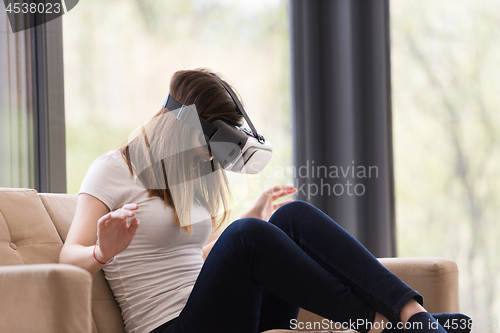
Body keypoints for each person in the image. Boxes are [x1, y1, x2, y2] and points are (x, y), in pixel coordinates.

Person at [59, 68, 471, 333]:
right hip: (170, 327)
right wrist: (101, 250)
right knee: (247, 235)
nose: (210, 157)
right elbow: (67, 259)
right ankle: (395, 326)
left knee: (289, 216)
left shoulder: (186, 177)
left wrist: (254, 223)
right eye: (210, 143)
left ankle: (411, 315)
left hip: (227, 316)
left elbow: (189, 262)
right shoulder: (112, 168)